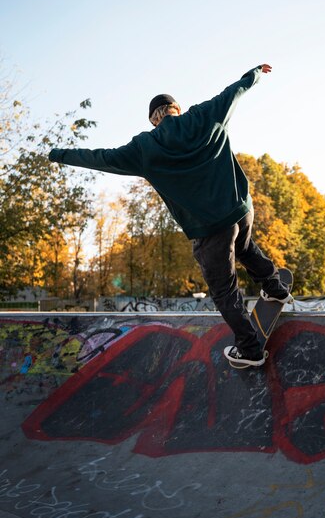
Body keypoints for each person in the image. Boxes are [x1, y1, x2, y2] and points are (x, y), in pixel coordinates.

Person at [48, 63, 293, 366]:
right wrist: (254, 73)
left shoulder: (144, 147)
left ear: (154, 119)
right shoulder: (204, 114)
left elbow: (101, 157)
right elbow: (234, 92)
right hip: (241, 210)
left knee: (224, 291)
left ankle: (250, 349)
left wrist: (59, 154)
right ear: (177, 108)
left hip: (208, 229)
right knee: (244, 246)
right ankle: (274, 286)